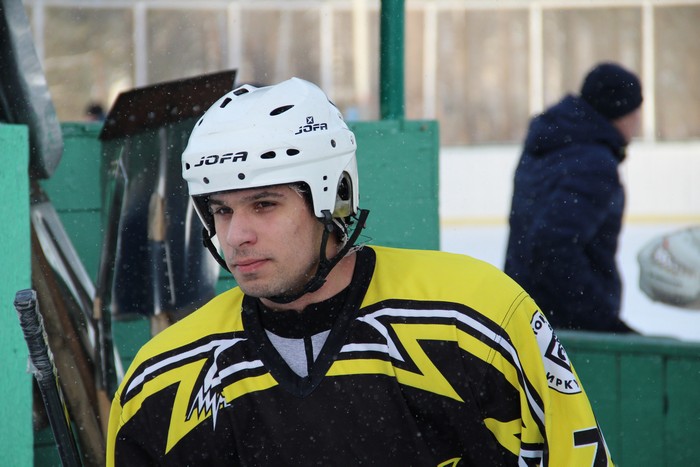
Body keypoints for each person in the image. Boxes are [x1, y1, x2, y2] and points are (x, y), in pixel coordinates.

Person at [106, 77, 614, 465]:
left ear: (333, 197)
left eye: (264, 204)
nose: (236, 235)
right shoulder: (162, 379)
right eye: (221, 210)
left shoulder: (476, 318)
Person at [505, 62, 643, 333]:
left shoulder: (548, 146)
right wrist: (601, 321)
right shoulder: (594, 163)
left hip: (524, 314)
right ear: (620, 111)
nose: (638, 119)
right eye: (636, 109)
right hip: (565, 327)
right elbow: (552, 246)